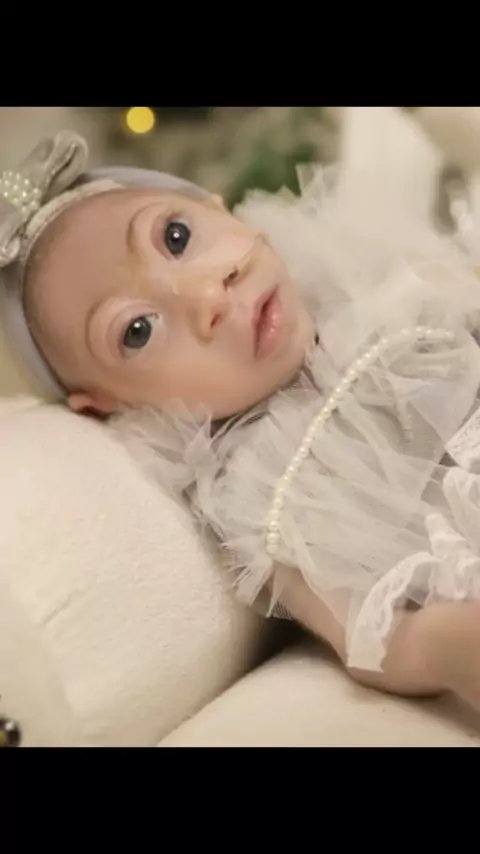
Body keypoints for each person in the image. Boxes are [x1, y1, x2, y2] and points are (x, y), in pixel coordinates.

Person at [2, 128, 480, 714]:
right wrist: (448, 645)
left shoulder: (379, 282)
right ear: (108, 404)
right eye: (138, 330)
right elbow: (366, 636)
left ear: (217, 208)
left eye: (176, 238)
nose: (208, 295)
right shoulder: (261, 486)